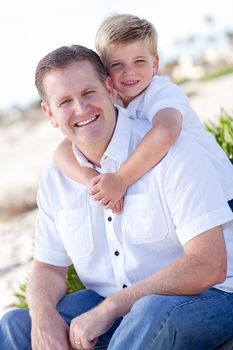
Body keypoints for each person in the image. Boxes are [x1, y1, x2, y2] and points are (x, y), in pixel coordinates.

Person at [1, 44, 233, 350]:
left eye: (88, 93)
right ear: (50, 114)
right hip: (111, 302)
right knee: (16, 326)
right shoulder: (57, 178)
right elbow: (48, 268)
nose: (81, 109)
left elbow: (208, 264)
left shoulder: (172, 150)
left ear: (110, 89)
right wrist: (43, 316)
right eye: (65, 102)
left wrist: (113, 307)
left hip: (207, 296)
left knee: (148, 312)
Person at [53, 14, 233, 214]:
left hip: (222, 192)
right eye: (117, 64)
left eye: (139, 61)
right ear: (104, 72)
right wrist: (91, 180)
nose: (129, 72)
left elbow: (166, 131)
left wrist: (120, 179)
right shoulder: (111, 101)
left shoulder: (161, 92)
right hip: (184, 197)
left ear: (154, 64)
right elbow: (62, 152)